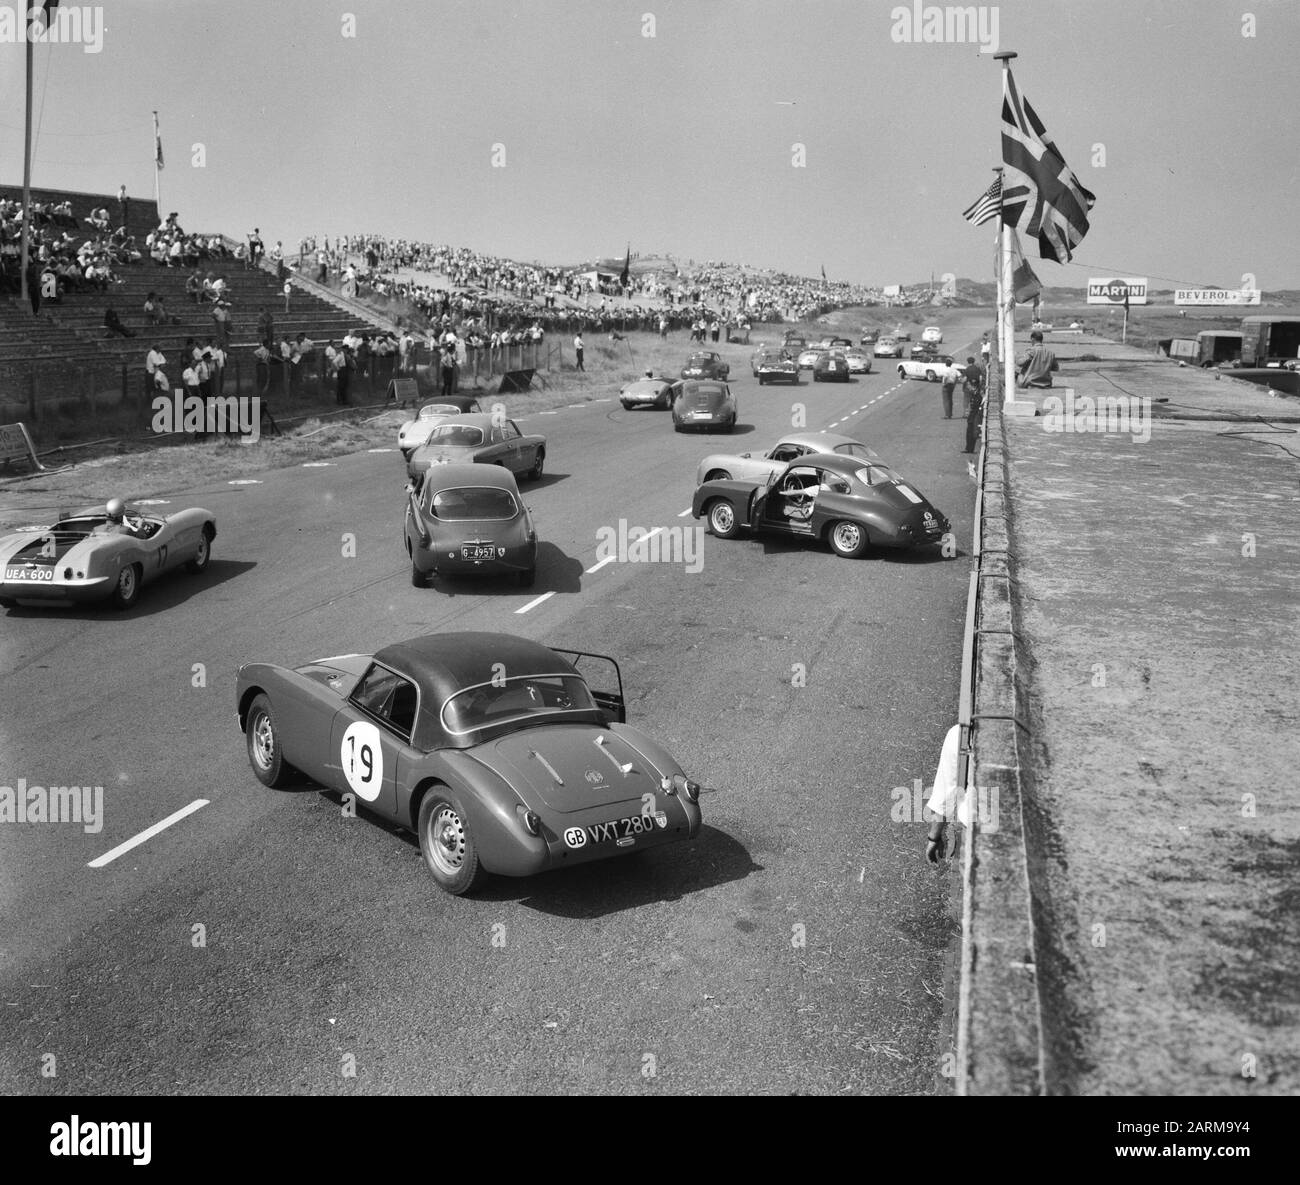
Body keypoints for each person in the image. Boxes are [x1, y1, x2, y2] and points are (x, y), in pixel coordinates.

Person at [964, 363, 985, 454]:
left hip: (974, 416)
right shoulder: (977, 393)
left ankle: (969, 449)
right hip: (973, 415)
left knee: (971, 432)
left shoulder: (977, 395)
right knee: (970, 432)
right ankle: (969, 448)